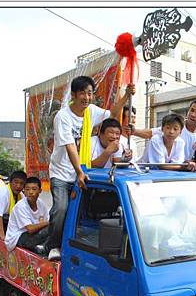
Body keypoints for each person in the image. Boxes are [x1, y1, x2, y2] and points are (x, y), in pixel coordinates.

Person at [45, 75, 135, 260]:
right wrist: (79, 172)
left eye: (89, 93)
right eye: (82, 94)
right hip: (62, 172)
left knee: (80, 212)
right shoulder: (63, 117)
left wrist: (126, 96)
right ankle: (53, 245)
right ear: (73, 95)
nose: (86, 97)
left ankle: (72, 244)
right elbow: (70, 146)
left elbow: (112, 113)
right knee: (61, 208)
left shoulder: (91, 111)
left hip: (83, 171)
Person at [134, 99, 196, 171]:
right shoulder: (173, 126)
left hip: (177, 172)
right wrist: (133, 131)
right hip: (150, 172)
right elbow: (150, 133)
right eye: (192, 110)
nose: (193, 114)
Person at [4, 177, 50, 252]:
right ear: (24, 191)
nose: (30, 192)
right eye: (27, 189)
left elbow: (45, 221)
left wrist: (47, 223)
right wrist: (48, 223)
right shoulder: (20, 206)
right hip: (17, 238)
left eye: (34, 189)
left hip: (31, 235)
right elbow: (30, 229)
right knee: (51, 228)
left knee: (54, 228)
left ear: (40, 191)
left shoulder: (41, 203)